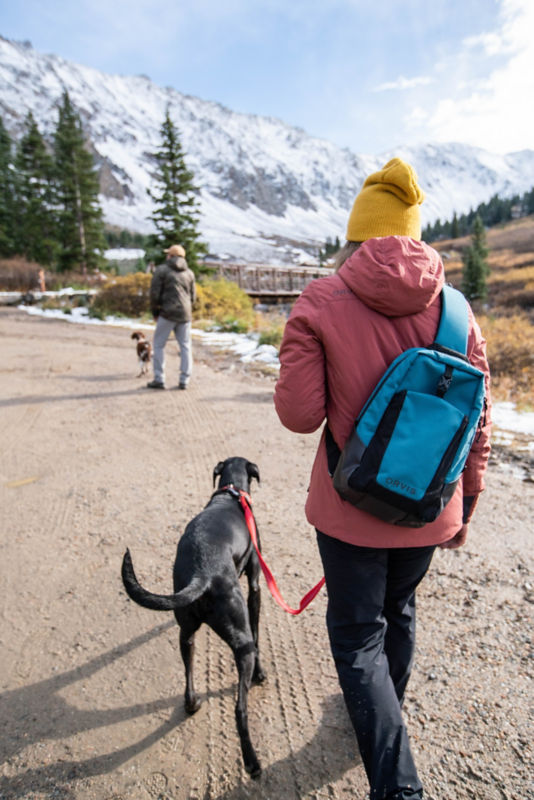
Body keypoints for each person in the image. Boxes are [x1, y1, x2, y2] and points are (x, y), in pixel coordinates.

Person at [273, 158, 492, 799]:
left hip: (351, 510)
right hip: (429, 506)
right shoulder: (456, 308)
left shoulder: (321, 299)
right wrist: (467, 503)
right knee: (399, 610)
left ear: (357, 232)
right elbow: (478, 420)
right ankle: (381, 711)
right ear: (413, 233)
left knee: (356, 633)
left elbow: (299, 414)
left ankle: (398, 785)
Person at [147, 244, 197, 390]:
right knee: (185, 346)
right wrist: (188, 309)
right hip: (185, 314)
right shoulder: (189, 273)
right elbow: (193, 296)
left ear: (170, 256)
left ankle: (159, 379)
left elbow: (154, 293)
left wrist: (155, 312)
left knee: (158, 344)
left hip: (167, 313)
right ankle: (184, 380)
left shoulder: (162, 270)